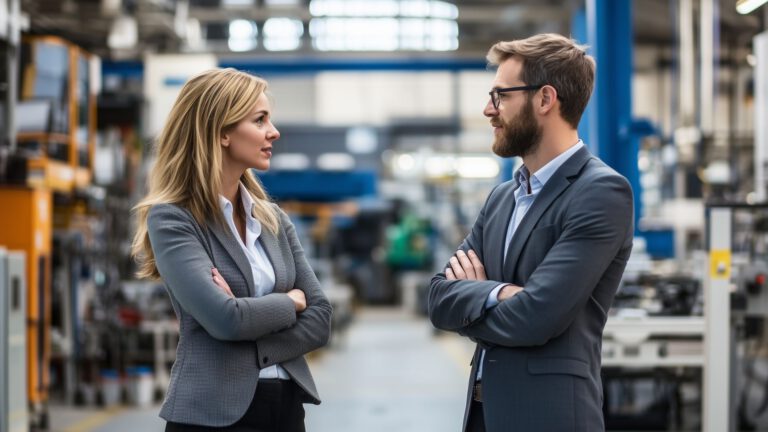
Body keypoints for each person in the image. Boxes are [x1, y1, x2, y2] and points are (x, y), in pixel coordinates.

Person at [428, 33, 634, 432]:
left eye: (501, 95)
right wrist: (499, 292)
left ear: (544, 99)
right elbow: (438, 297)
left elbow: (536, 318)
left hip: (550, 416)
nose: (489, 109)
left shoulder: (601, 192)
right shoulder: (502, 197)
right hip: (484, 415)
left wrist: (472, 303)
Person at [131, 68, 332, 432]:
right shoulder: (174, 220)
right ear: (221, 132)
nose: (274, 131)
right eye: (260, 120)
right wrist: (292, 302)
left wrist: (246, 326)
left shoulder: (272, 219)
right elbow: (225, 318)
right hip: (211, 415)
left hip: (286, 410)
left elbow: (320, 319)